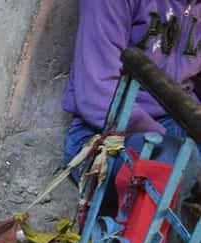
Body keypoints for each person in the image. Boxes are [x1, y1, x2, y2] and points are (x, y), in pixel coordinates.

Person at [63, 0, 201, 166]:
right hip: (109, 129)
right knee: (180, 173)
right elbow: (97, 94)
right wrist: (168, 142)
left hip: (181, 125)